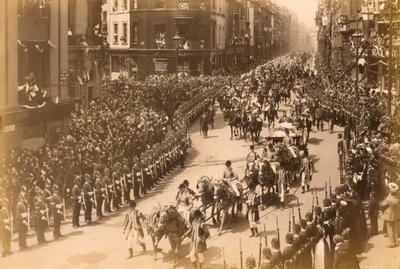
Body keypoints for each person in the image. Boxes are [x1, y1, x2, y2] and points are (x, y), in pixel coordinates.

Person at [379, 182, 399, 248]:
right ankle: (396, 242)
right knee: (395, 230)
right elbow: (392, 195)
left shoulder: (389, 199)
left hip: (389, 216)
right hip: (396, 216)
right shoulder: (397, 198)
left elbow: (381, 204)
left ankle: (391, 243)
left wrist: (385, 198)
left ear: (391, 191)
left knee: (390, 229)